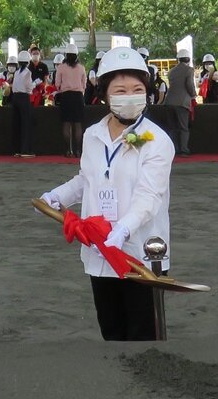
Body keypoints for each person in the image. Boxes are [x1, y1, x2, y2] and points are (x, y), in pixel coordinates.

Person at [37, 47, 172, 341]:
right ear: (104, 93)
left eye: (137, 89)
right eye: (120, 89)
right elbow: (87, 179)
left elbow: (150, 196)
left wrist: (123, 229)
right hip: (99, 251)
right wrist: (56, 196)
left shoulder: (157, 141)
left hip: (138, 253)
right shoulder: (93, 135)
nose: (129, 95)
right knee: (111, 332)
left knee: (143, 335)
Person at [54, 47, 88, 157]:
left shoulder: (61, 67)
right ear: (77, 55)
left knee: (66, 123)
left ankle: (68, 150)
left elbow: (57, 84)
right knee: (78, 124)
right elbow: (84, 85)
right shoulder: (81, 68)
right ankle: (78, 150)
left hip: (66, 96)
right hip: (78, 97)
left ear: (66, 55)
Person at [165, 51, 197, 155]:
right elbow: (190, 85)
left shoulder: (172, 71)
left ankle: (173, 149)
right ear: (188, 59)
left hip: (169, 101)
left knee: (172, 127)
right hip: (182, 103)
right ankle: (184, 150)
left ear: (178, 59)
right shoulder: (189, 70)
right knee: (184, 128)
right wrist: (193, 94)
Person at [9, 50, 37, 158]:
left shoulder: (16, 72)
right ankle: (25, 150)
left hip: (15, 98)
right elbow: (29, 88)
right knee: (26, 124)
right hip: (24, 98)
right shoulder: (28, 73)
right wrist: (35, 84)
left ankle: (17, 150)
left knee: (17, 124)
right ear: (28, 62)